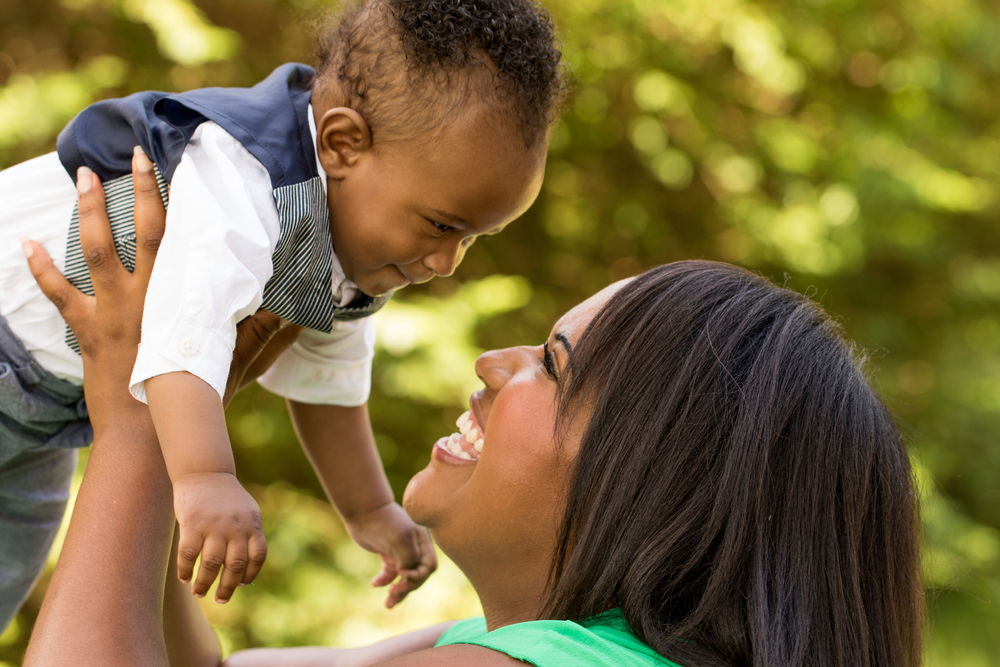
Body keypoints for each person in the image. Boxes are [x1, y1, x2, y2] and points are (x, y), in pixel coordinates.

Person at [21, 158, 924, 667]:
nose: (494, 364)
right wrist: (183, 444)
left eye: (554, 365)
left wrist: (135, 412)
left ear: (660, 471)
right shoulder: (490, 644)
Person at [0, 0, 567, 628]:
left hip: (48, 415)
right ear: (343, 144)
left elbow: (330, 384)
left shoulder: (351, 255)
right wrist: (207, 477)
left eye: (472, 239)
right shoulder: (244, 176)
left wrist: (370, 509)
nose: (448, 262)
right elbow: (185, 332)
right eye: (441, 225)